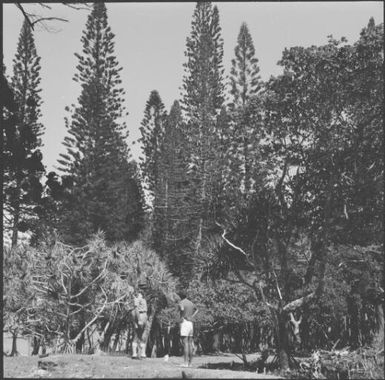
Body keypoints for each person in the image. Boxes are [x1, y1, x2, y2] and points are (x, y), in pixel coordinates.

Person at [178, 291, 198, 367]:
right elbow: (197, 310)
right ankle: (190, 363)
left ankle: (185, 363)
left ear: (180, 296)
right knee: (190, 343)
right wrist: (192, 316)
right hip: (190, 323)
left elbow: (182, 309)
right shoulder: (190, 303)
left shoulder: (181, 302)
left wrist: (182, 317)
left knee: (185, 343)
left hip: (185, 322)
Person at [131, 290, 148, 359]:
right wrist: (138, 320)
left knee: (143, 335)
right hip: (140, 315)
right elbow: (136, 309)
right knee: (137, 335)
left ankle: (142, 353)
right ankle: (135, 354)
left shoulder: (142, 299)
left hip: (144, 315)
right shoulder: (137, 299)